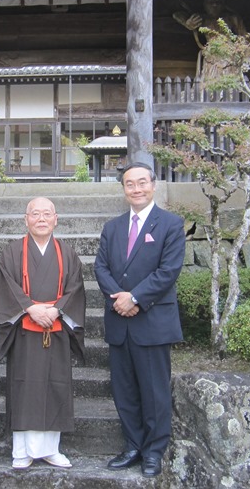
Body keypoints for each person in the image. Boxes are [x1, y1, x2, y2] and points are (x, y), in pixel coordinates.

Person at [93, 162, 186, 478]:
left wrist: (134, 298)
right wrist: (119, 298)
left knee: (154, 391)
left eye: (142, 182)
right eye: (130, 184)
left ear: (153, 185)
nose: (136, 188)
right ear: (123, 189)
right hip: (120, 321)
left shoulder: (171, 224)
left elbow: (168, 272)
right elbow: (101, 268)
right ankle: (133, 444)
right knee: (124, 388)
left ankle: (154, 451)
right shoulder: (113, 227)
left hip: (152, 321)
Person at [0, 197, 86, 470]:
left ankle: (50, 449)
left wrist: (57, 311)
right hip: (24, 332)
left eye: (47, 214)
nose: (41, 218)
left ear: (56, 219)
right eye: (35, 214)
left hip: (55, 331)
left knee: (55, 386)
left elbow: (75, 289)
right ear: (26, 219)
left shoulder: (67, 253)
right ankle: (21, 450)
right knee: (24, 387)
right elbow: (7, 287)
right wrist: (30, 308)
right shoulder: (11, 252)